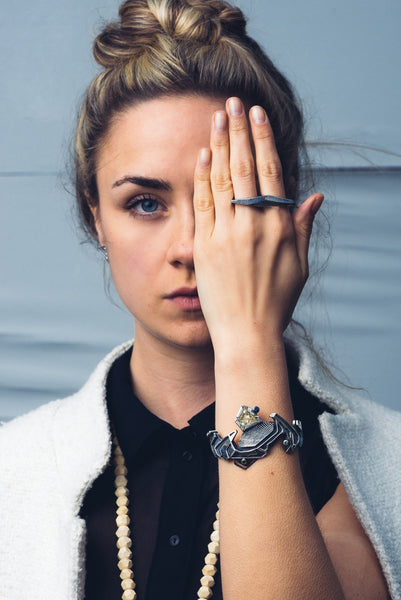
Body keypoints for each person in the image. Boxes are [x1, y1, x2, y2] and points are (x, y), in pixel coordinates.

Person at [1, 0, 400, 599]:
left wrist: (247, 343)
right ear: (95, 215)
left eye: (231, 200)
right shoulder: (15, 469)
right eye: (145, 203)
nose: (191, 247)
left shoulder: (387, 473)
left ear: (286, 209)